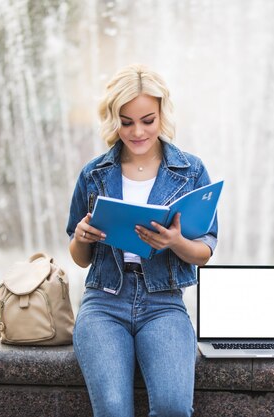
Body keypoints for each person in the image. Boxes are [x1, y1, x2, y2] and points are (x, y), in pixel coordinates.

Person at [66, 64, 218, 417]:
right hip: (104, 303)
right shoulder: (93, 173)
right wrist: (81, 237)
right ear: (112, 119)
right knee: (114, 410)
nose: (137, 132)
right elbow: (79, 258)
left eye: (147, 120)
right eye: (126, 121)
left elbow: (204, 253)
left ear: (162, 114)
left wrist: (175, 241)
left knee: (172, 408)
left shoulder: (191, 171)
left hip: (163, 304)